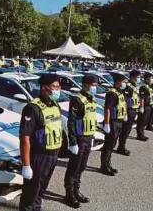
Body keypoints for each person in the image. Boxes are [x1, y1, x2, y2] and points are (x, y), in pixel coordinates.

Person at [19, 74, 62, 211]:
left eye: (58, 87)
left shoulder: (55, 105)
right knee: (30, 193)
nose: (58, 90)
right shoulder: (32, 108)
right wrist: (26, 165)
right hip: (39, 157)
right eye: (55, 87)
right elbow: (25, 137)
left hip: (52, 156)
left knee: (41, 190)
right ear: (44, 88)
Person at [64, 75, 98, 208]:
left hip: (88, 137)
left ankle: (76, 190)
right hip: (79, 139)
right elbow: (71, 122)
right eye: (93, 85)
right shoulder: (77, 100)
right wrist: (72, 142)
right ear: (85, 85)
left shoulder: (91, 99)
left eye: (95, 85)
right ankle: (69, 194)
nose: (95, 87)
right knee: (73, 167)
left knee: (82, 166)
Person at [101, 73, 127, 176]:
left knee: (112, 144)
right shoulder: (112, 93)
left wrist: (125, 114)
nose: (124, 83)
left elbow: (123, 104)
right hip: (112, 122)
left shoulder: (119, 92)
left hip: (119, 121)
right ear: (117, 82)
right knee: (108, 145)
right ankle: (104, 166)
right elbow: (107, 109)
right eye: (123, 81)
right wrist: (107, 123)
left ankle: (108, 164)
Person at [118, 70, 142, 156]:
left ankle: (122, 146)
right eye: (137, 77)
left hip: (133, 109)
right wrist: (124, 113)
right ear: (132, 77)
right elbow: (124, 100)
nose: (139, 79)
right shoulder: (128, 87)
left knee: (128, 130)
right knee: (125, 130)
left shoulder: (134, 85)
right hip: (128, 110)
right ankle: (121, 147)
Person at [136, 72, 153, 141]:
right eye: (150, 78)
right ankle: (140, 135)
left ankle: (142, 133)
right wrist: (142, 107)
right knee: (141, 121)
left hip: (149, 105)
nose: (152, 79)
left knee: (145, 121)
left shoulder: (148, 86)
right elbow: (142, 98)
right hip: (145, 106)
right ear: (146, 79)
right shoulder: (143, 87)